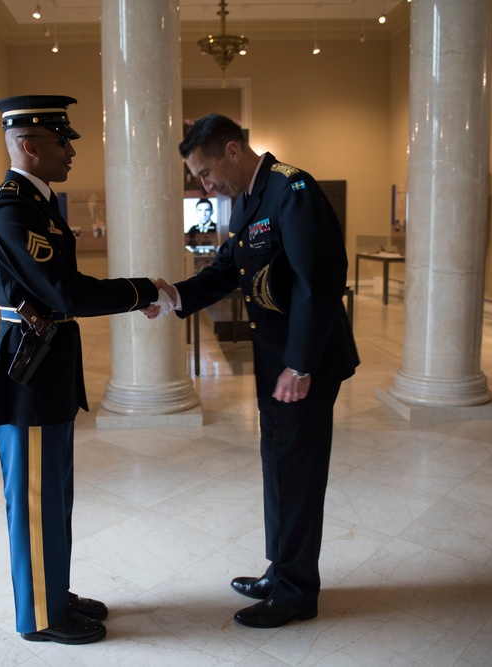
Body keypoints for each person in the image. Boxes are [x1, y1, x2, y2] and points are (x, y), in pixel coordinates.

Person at [148, 113, 358, 628]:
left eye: (204, 172)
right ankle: (280, 568)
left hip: (302, 361)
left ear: (233, 150)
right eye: (198, 177)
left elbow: (320, 282)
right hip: (277, 359)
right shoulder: (247, 201)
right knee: (279, 467)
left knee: (299, 472)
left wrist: (301, 364)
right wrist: (175, 296)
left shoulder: (292, 188)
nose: (204, 184)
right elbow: (227, 269)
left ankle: (296, 593)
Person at [0, 95, 172, 645]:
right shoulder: (13, 208)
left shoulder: (37, 204)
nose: (71, 152)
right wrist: (142, 292)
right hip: (29, 372)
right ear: (30, 145)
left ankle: (53, 591)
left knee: (54, 495)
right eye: (63, 142)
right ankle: (39, 615)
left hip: (47, 367)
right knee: (36, 500)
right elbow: (63, 291)